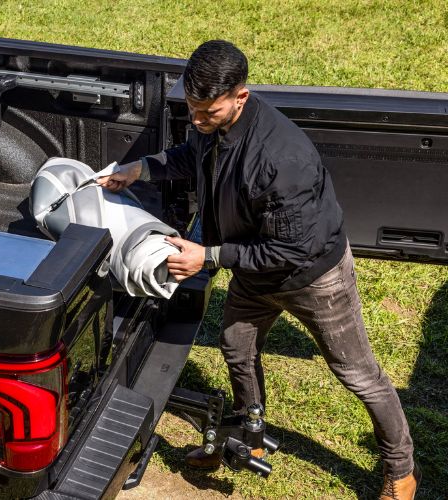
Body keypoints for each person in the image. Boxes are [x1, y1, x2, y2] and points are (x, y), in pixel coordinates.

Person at [97, 40, 419, 500]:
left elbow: (288, 251)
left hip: (312, 278)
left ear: (241, 97)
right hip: (252, 267)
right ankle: (245, 436)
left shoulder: (283, 160)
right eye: (191, 107)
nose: (197, 119)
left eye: (207, 111)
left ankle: (402, 469)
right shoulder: (211, 122)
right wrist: (140, 169)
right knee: (236, 347)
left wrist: (207, 257)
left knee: (357, 374)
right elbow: (195, 158)